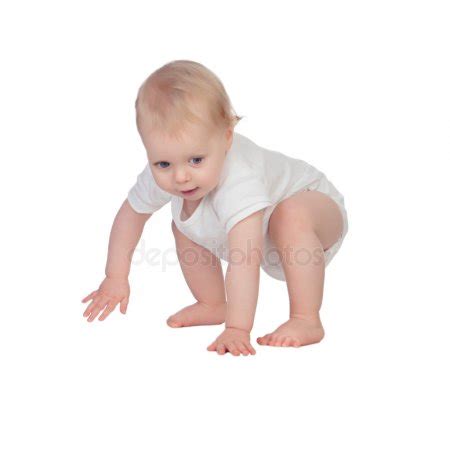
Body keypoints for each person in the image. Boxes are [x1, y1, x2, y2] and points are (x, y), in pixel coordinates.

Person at [81, 60, 349, 356]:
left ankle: (306, 319)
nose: (180, 176)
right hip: (259, 231)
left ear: (226, 138)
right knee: (184, 222)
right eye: (163, 164)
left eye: (196, 160)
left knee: (290, 216)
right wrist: (115, 277)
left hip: (315, 212)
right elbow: (130, 216)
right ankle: (211, 303)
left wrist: (237, 329)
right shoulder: (172, 166)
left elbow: (244, 259)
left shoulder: (239, 178)